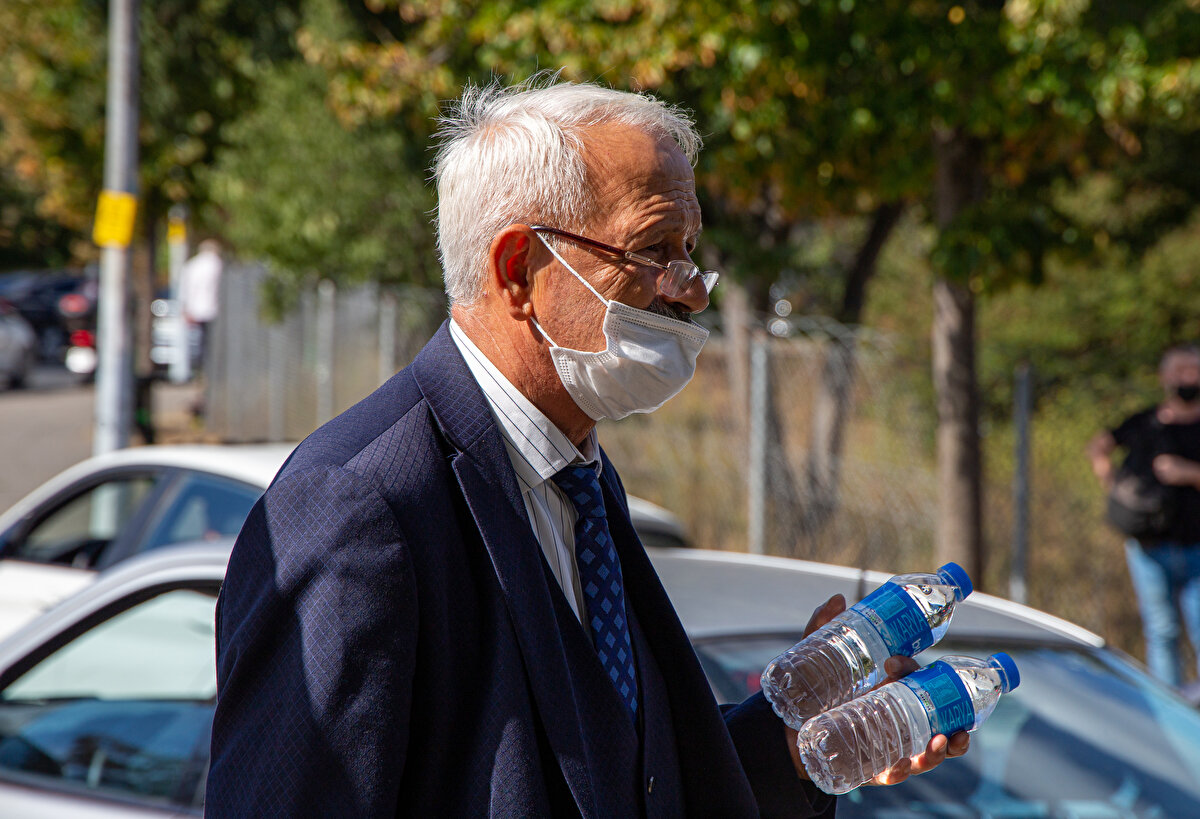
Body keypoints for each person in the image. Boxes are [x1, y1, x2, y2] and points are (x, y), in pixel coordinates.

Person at [206, 76, 967, 817]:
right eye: (653, 248)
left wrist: (793, 742)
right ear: (517, 271)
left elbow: (620, 778)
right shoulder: (362, 506)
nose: (692, 288)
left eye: (691, 247)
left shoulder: (578, 479)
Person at [1088, 344, 1200, 687]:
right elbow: (1098, 447)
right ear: (1165, 377)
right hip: (1148, 547)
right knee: (1161, 631)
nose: (1188, 378)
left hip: (1196, 546)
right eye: (1180, 370)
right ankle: (1168, 715)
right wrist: (1112, 483)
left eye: (1194, 370)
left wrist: (1188, 473)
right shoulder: (1143, 422)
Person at [178, 238, 222, 373]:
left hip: (196, 309)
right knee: (212, 342)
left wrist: (185, 309)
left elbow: (185, 290)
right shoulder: (217, 264)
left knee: (200, 342)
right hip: (214, 309)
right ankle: (210, 369)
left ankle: (201, 370)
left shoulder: (192, 265)